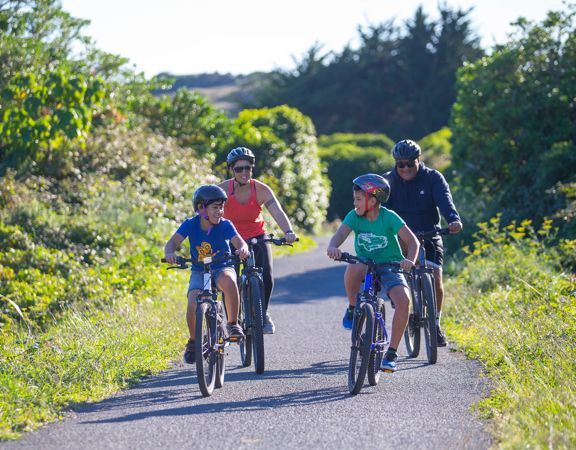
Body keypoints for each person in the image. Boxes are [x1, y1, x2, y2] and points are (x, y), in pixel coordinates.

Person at [327, 174, 419, 372]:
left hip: (390, 264)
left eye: (359, 199)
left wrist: (409, 260)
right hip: (365, 263)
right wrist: (333, 246)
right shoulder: (354, 216)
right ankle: (353, 307)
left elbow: (413, 242)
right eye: (355, 199)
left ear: (373, 199)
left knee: (404, 301)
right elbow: (341, 234)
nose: (355, 203)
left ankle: (392, 354)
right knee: (353, 266)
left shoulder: (389, 217)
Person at [383, 139, 463, 347]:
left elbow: (445, 200)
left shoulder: (432, 178)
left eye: (410, 163)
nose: (406, 168)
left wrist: (453, 220)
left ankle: (435, 324)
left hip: (430, 233)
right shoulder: (388, 182)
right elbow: (380, 211)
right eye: (401, 164)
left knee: (435, 278)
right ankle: (404, 307)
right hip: (400, 238)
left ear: (419, 160)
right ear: (395, 164)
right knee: (399, 276)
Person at [164, 184, 250, 364]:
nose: (220, 211)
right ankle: (194, 342)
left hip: (221, 266)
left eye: (222, 207)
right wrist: (170, 253)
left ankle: (233, 324)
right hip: (200, 270)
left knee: (228, 281)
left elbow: (240, 243)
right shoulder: (190, 224)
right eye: (215, 207)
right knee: (193, 301)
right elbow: (171, 244)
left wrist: (242, 249)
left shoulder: (226, 225)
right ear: (201, 209)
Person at [219, 147, 297, 334]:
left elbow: (277, 211)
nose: (244, 172)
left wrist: (288, 231)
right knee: (230, 280)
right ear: (232, 170)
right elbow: (210, 213)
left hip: (257, 237)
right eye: (239, 169)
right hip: (231, 238)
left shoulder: (261, 189)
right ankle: (233, 321)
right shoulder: (222, 190)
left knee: (267, 277)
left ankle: (262, 312)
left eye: (248, 168)